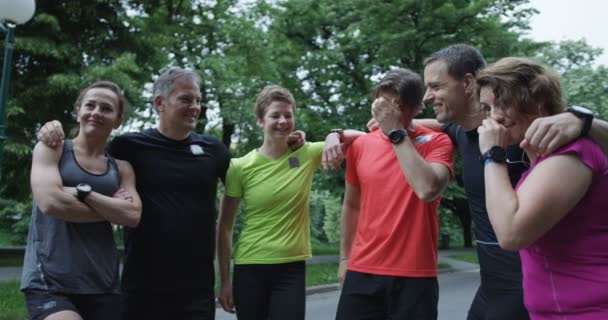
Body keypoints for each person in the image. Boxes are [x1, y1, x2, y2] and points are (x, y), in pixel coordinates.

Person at [477, 57, 608, 319]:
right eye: (487, 108)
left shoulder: (569, 154)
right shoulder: (544, 159)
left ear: (535, 100)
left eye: (502, 103)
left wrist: (492, 155)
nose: (495, 117)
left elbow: (511, 234)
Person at [335, 68, 454, 320]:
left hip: (415, 274)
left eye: (396, 104)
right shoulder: (360, 146)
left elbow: (428, 188)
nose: (386, 111)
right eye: (382, 102)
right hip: (362, 270)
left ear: (415, 108)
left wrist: (396, 132)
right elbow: (352, 206)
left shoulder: (436, 142)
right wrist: (345, 258)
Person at [21, 80, 142, 320]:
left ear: (118, 120)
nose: (96, 112)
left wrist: (81, 192)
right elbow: (51, 203)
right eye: (90, 105)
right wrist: (111, 208)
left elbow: (132, 216)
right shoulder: (51, 149)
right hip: (50, 280)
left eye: (106, 108)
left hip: (103, 283)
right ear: (78, 111)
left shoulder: (122, 169)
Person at [217, 85, 324, 320]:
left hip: (290, 268)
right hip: (249, 267)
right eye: (275, 115)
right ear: (260, 121)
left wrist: (336, 133)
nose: (283, 121)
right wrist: (225, 281)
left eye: (288, 115)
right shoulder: (239, 166)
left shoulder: (307, 154)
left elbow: (361, 140)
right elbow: (224, 226)